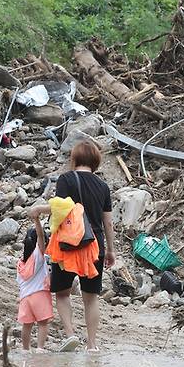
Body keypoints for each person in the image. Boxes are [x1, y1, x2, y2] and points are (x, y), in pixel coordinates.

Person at [28, 140, 115, 352]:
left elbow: (60, 208)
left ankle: (71, 334)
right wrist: (111, 251)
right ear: (95, 161)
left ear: (74, 159)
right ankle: (92, 345)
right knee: (91, 298)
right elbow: (108, 222)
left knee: (63, 293)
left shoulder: (66, 179)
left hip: (67, 245)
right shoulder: (103, 186)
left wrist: (39, 208)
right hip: (94, 245)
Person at [16, 218, 53, 351]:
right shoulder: (38, 257)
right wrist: (37, 220)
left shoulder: (20, 263)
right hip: (39, 294)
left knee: (27, 325)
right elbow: (41, 237)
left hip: (25, 298)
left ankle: (25, 349)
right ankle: (40, 348)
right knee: (42, 324)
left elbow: (19, 281)